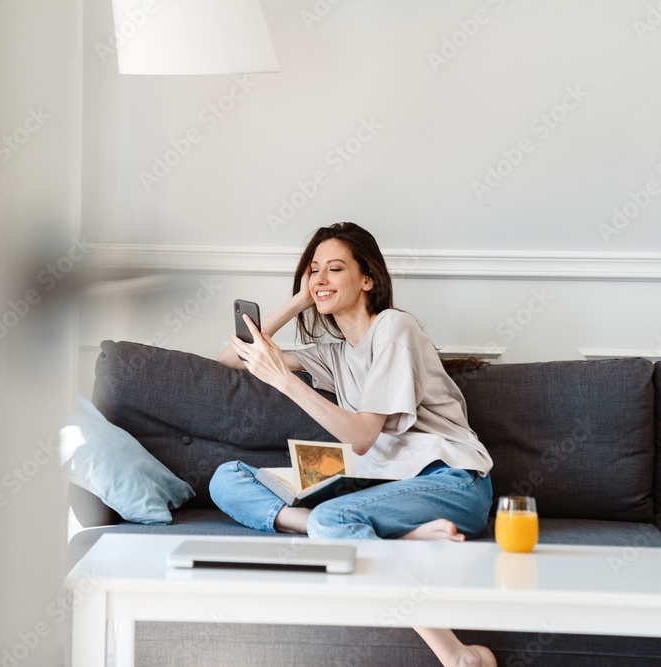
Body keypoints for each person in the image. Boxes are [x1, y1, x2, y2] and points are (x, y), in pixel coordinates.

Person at [210, 222, 497, 667]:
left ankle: (459, 655)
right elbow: (229, 362)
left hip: (451, 481)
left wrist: (285, 380)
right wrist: (305, 297)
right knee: (225, 479)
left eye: (335, 269)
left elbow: (363, 435)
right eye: (314, 270)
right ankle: (394, 532)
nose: (321, 277)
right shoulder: (334, 353)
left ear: (368, 279)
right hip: (379, 484)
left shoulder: (395, 328)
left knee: (334, 518)